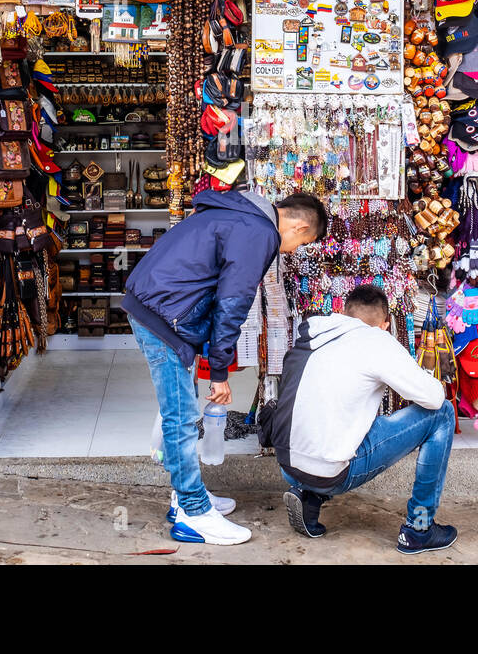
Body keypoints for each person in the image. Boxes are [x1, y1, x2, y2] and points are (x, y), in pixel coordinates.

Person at [124, 190, 327, 546]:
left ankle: (186, 497)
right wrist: (219, 371)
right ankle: (193, 513)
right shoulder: (259, 231)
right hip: (163, 317)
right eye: (302, 242)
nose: (293, 251)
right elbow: (232, 304)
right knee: (182, 418)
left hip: (160, 309)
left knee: (180, 415)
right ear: (298, 225)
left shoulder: (240, 214)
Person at [266, 284, 457, 554]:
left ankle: (309, 496)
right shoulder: (376, 339)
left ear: (345, 312)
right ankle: (420, 528)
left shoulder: (313, 332)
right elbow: (434, 398)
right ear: (386, 324)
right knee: (443, 413)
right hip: (332, 473)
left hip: (288, 465)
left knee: (344, 422)